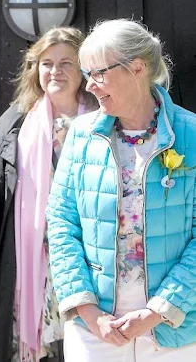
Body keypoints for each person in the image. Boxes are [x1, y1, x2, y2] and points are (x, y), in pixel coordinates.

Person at [46, 19, 196, 361]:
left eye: (98, 74)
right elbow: (60, 223)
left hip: (175, 327)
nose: (90, 86)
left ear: (138, 68)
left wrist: (159, 310)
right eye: (87, 75)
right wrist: (87, 311)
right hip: (96, 329)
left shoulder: (191, 133)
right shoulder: (81, 135)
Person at [0, 27, 97, 362]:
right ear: (35, 69)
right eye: (46, 63)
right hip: (28, 267)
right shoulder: (14, 128)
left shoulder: (105, 123)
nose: (55, 71)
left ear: (84, 69)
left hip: (90, 263)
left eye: (66, 63)